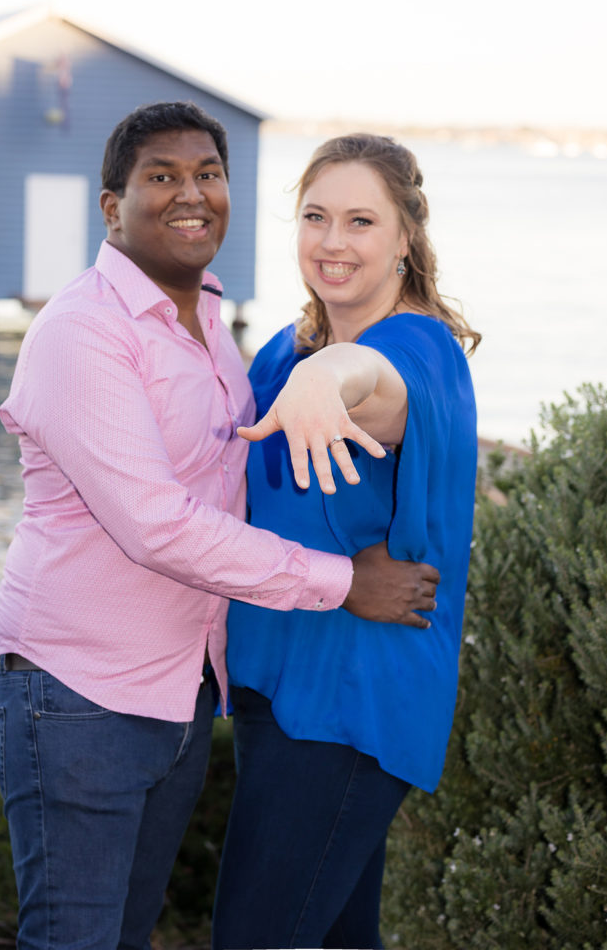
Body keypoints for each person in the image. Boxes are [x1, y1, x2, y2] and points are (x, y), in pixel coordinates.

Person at [0, 104, 439, 950]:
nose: (190, 194)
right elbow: (157, 526)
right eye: (160, 176)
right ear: (111, 205)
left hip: (181, 697)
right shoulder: (83, 332)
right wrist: (344, 583)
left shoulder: (210, 325)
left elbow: (373, 377)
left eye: (207, 174)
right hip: (81, 695)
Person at [212, 133, 481, 950]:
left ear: (405, 236)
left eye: (361, 221)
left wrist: (325, 380)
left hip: (350, 704)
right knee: (333, 937)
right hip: (273, 686)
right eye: (314, 217)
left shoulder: (417, 351)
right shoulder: (281, 354)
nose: (332, 242)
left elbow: (368, 381)